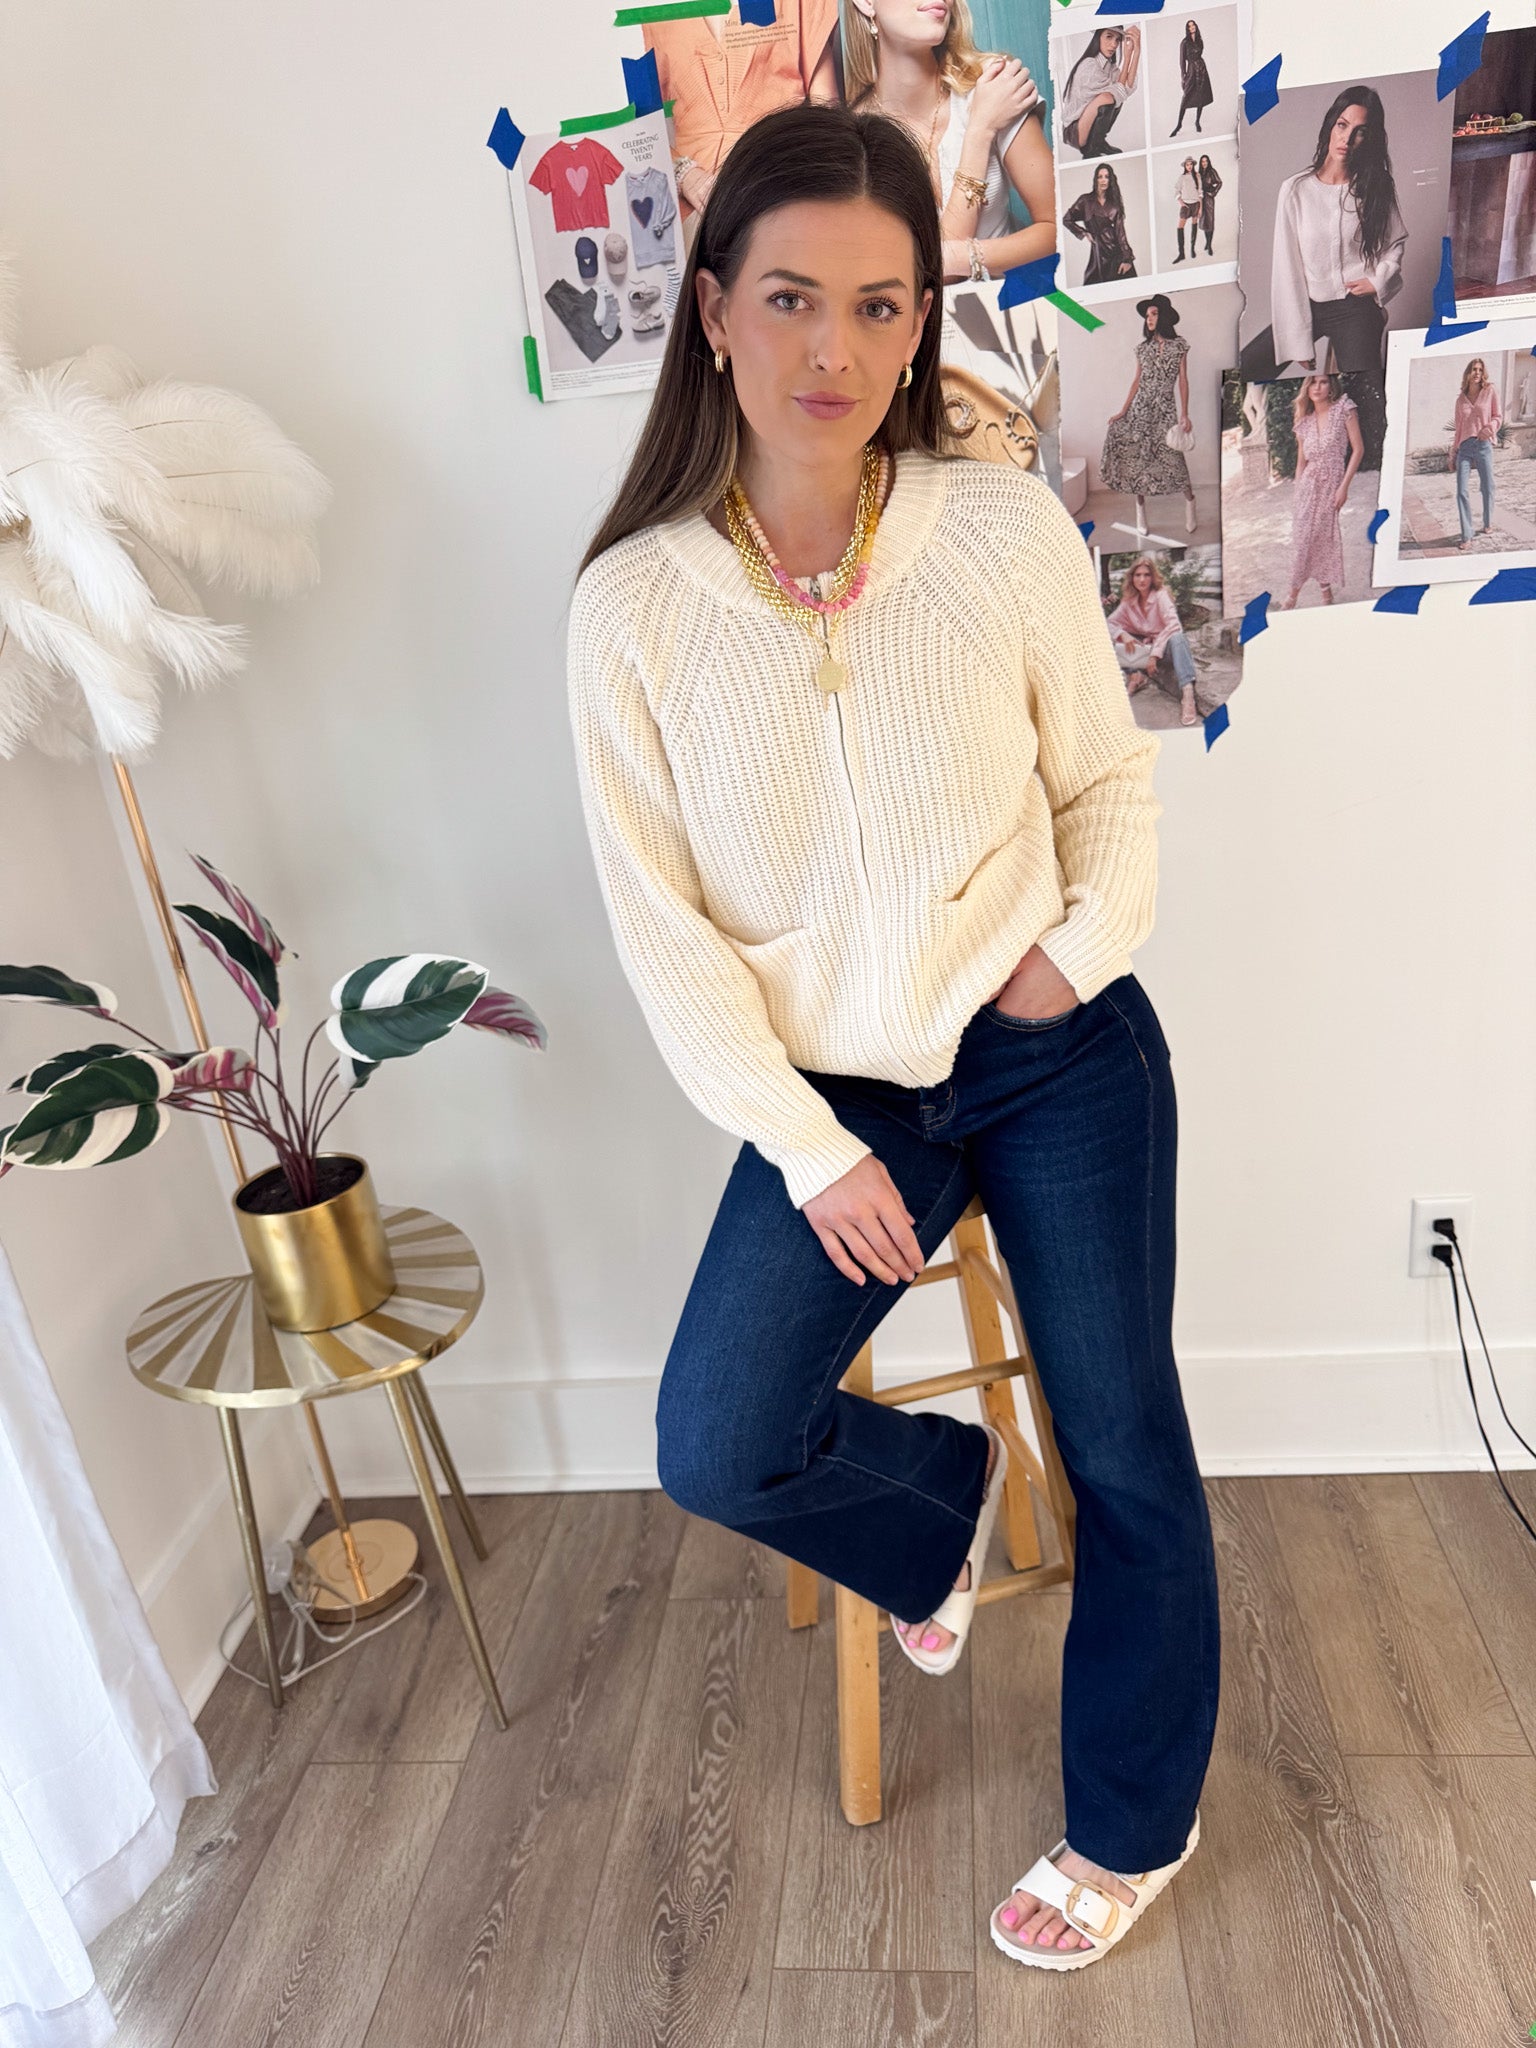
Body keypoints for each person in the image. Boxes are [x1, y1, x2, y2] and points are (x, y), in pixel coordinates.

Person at [567, 99, 1216, 1970]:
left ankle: (1134, 1821)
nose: (833, 350)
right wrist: (808, 1145)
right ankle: (937, 1519)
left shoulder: (996, 531)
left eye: (878, 305)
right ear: (713, 312)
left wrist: (1067, 962)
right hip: (839, 1088)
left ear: (922, 321)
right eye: (790, 298)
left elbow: (1108, 792)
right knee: (716, 1439)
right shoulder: (630, 611)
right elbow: (665, 939)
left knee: (1126, 1444)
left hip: (1054, 1044)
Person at [841, 0, 1055, 287]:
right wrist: (980, 132)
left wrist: (960, 257)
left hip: (1017, 306)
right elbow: (911, 279)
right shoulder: (852, 139)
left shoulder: (992, 85)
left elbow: (1062, 227)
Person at [1240, 85, 1406, 385]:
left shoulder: (1375, 186)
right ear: (1330, 126)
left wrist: (1378, 281)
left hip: (1355, 308)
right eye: (1342, 125)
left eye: (1360, 132)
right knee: (1246, 369)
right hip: (1310, 306)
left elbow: (1394, 242)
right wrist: (1297, 339)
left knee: (1367, 392)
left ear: (1368, 139)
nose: (1347, 138)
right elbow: (1287, 268)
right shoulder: (1296, 190)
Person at [647, 0, 840, 228]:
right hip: (688, 207)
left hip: (781, 192)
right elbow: (635, 122)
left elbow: (827, 114)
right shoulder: (644, 12)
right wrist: (686, 174)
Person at [1101, 293, 1197, 535]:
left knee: (1174, 461)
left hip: (1165, 411)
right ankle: (1140, 513)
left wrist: (1185, 413)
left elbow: (1183, 381)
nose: (1149, 319)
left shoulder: (1179, 346)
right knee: (1139, 462)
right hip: (1140, 410)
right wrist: (1123, 411)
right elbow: (1136, 381)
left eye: (1154, 314)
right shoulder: (1142, 349)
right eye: (1147, 316)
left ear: (1163, 316)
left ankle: (1190, 504)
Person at [1279, 371, 1362, 607]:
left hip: (1331, 485)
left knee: (1321, 537)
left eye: (1323, 382)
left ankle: (1293, 596)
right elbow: (1301, 463)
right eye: (1312, 382)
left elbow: (1358, 450)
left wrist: (1343, 488)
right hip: (1307, 486)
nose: (1317, 387)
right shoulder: (1304, 423)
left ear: (1331, 385)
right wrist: (1298, 494)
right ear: (1306, 388)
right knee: (1304, 539)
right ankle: (1318, 593)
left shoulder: (1344, 409)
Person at [1106, 555, 1202, 725]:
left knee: (1178, 638)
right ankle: (1135, 676)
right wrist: (1123, 634)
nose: (1142, 579)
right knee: (1114, 637)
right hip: (1145, 648)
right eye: (1138, 575)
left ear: (1153, 577)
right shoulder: (1129, 601)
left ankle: (1187, 694)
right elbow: (1109, 623)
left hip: (1163, 649)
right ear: (1132, 578)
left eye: (1146, 575)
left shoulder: (1161, 595)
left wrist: (1154, 655)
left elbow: (1174, 625)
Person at [1058, 24, 1142, 160]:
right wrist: (1127, 59)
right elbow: (1116, 92)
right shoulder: (1089, 65)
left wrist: (1136, 52)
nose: (1114, 44)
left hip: (1087, 128)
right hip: (1074, 132)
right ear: (1098, 38)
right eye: (1109, 37)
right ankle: (1091, 149)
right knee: (1108, 97)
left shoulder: (1110, 67)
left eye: (1117, 40)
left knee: (1116, 97)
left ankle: (1098, 143)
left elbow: (1127, 87)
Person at [1449, 355, 1500, 549]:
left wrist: (1491, 428)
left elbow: (1498, 416)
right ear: (1468, 374)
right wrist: (1453, 453)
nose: (1477, 373)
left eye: (1480, 370)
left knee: (1487, 486)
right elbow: (1458, 429)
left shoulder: (1489, 391)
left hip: (1483, 444)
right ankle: (1467, 535)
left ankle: (1487, 522)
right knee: (1461, 491)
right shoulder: (1460, 400)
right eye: (1474, 370)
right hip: (1464, 447)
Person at [1063, 163, 1137, 285]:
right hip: (1098, 251)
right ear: (1096, 179)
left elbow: (1120, 233)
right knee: (1092, 283)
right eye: (1100, 176)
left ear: (1110, 180)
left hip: (1116, 252)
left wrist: (1127, 259)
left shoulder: (1114, 204)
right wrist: (1084, 233)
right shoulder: (1085, 200)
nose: (1103, 180)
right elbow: (1067, 219)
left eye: (1107, 177)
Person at [1170, 19, 1212, 136]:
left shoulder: (1199, 40)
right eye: (1189, 26)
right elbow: (1182, 61)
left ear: (1196, 26)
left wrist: (1201, 68)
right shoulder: (1184, 43)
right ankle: (1179, 125)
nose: (1192, 27)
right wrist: (1183, 76)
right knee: (1186, 97)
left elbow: (1200, 54)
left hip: (1202, 69)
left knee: (1201, 96)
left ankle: (1197, 122)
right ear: (1187, 29)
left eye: (1193, 25)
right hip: (1191, 71)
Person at [1173, 157, 1201, 264]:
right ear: (1185, 166)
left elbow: (1200, 192)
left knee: (1194, 225)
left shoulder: (1197, 176)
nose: (1189, 166)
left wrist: (1200, 208)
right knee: (1180, 227)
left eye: (1191, 164)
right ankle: (1181, 254)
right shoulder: (1182, 177)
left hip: (1196, 204)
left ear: (1193, 165)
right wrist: (1181, 202)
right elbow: (1177, 190)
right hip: (1186, 206)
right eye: (1187, 164)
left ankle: (1192, 249)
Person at [1197, 152, 1222, 256]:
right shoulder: (1199, 173)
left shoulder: (1212, 171)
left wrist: (1213, 192)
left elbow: (1219, 182)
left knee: (1210, 222)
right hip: (1201, 199)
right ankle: (1207, 242)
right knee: (1204, 222)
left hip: (1209, 199)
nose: (1204, 163)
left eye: (1206, 161)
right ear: (1200, 163)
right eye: (1202, 161)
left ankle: (1209, 245)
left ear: (1208, 162)